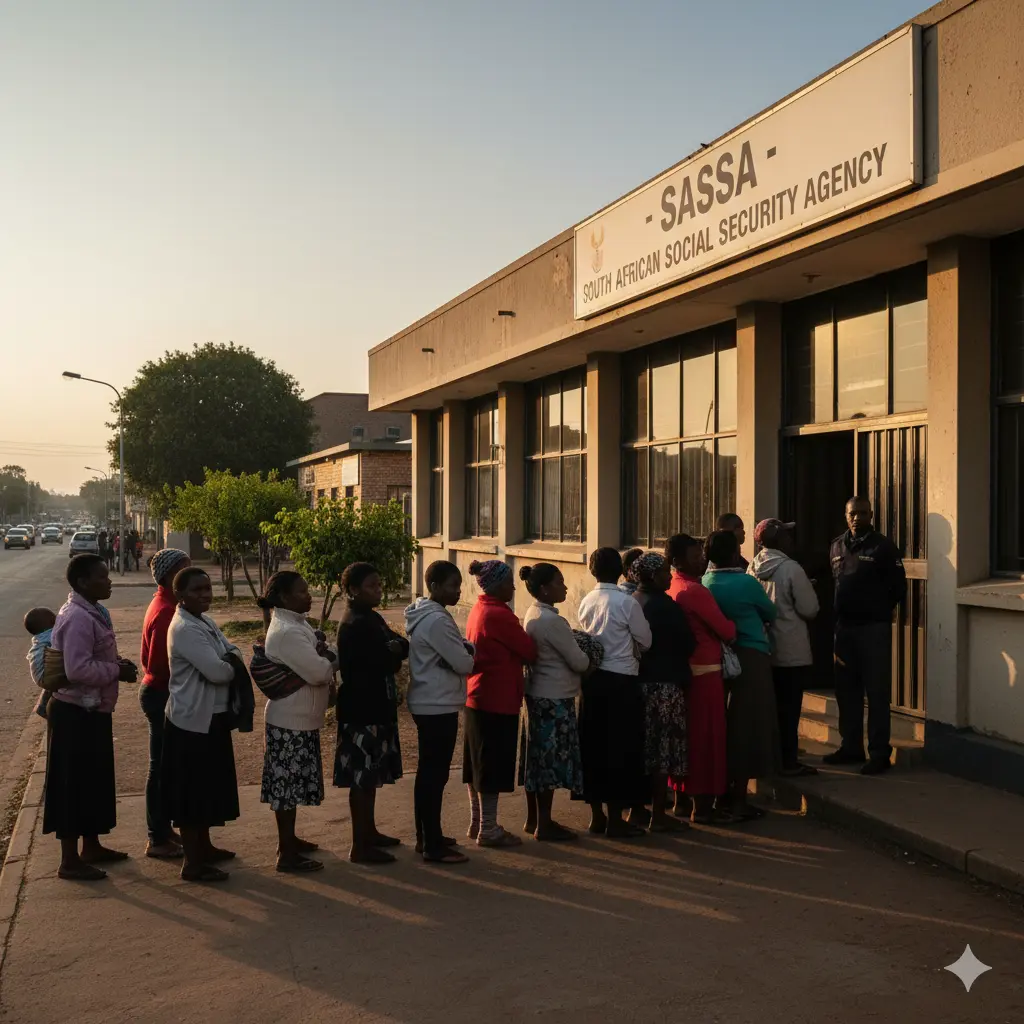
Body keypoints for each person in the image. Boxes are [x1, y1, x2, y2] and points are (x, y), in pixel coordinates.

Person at [43, 554, 137, 881]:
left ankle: (91, 845)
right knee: (72, 785)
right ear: (83, 582)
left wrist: (116, 662)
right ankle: (69, 860)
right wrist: (117, 671)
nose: (109, 581)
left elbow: (93, 655)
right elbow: (77, 668)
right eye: (102, 577)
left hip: (91, 708)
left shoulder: (93, 611)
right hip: (73, 711)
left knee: (92, 781)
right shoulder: (77, 617)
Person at [163, 567, 243, 883]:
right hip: (191, 721)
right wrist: (230, 663)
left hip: (210, 718)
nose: (205, 595)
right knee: (192, 794)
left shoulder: (203, 621)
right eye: (197, 590)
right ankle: (193, 862)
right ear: (180, 595)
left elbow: (232, 651)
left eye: (208, 589)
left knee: (208, 790)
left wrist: (230, 660)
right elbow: (219, 671)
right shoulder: (184, 627)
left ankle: (205, 849)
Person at [258, 571, 335, 873]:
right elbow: (318, 672)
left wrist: (325, 658)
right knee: (286, 789)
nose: (309, 595)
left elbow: (319, 661)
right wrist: (330, 659)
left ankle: (289, 841)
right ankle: (286, 851)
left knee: (293, 786)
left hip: (300, 719)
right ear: (285, 597)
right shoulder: (288, 631)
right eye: (302, 592)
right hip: (289, 721)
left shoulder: (295, 623)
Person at [825, 496, 907, 775]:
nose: (857, 518)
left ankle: (879, 753)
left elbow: (898, 588)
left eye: (862, 513)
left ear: (871, 515)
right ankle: (851, 747)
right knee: (846, 692)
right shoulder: (836, 545)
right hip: (844, 630)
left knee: (876, 692)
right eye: (852, 513)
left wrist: (877, 610)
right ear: (845, 516)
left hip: (873, 629)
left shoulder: (883, 547)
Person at [334, 562, 409, 864]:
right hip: (361, 710)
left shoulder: (372, 617)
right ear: (353, 590)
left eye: (379, 585)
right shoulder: (355, 622)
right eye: (371, 586)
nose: (378, 590)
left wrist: (393, 650)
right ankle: (359, 844)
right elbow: (384, 660)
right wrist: (391, 652)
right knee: (361, 778)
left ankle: (370, 831)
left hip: (377, 707)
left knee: (372, 775)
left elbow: (401, 646)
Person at [703, 530, 779, 820]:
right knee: (748, 728)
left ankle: (721, 793)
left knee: (724, 726)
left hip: (718, 658)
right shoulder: (746, 583)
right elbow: (771, 612)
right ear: (735, 553)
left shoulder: (706, 583)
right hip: (750, 655)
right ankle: (738, 799)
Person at [577, 547, 652, 838]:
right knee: (620, 750)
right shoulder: (626, 602)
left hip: (593, 679)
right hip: (622, 681)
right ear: (621, 571)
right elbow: (645, 641)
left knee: (594, 748)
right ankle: (616, 820)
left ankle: (597, 816)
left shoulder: (587, 599)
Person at [405, 560, 475, 864]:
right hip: (437, 704)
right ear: (433, 587)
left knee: (430, 774)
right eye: (452, 586)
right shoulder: (437, 620)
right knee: (434, 776)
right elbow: (465, 663)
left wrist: (463, 651)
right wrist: (466, 652)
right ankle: (432, 843)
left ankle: (427, 836)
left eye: (459, 586)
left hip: (430, 700)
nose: (458, 592)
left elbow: (461, 653)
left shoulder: (425, 614)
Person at [462, 559, 536, 848]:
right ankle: (489, 828)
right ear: (495, 586)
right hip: (497, 696)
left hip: (478, 694)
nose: (513, 587)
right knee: (490, 767)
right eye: (507, 583)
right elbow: (529, 650)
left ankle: (478, 821)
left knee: (477, 764)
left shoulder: (479, 609)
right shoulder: (499, 615)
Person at [666, 534, 736, 823]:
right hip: (705, 672)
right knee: (707, 741)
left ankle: (682, 801)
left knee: (687, 739)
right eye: (696, 556)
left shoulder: (673, 587)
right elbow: (727, 631)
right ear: (678, 561)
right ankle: (703, 808)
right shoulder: (695, 591)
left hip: (685, 671)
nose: (702, 560)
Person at [520, 563, 590, 842]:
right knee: (548, 760)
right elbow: (579, 661)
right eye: (560, 582)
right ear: (545, 588)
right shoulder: (553, 622)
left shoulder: (533, 613)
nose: (565, 587)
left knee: (536, 759)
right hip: (555, 696)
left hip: (539, 693)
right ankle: (544, 823)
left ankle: (534, 818)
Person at [749, 519, 820, 776]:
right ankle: (789, 761)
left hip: (765, 647)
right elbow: (809, 609)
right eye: (787, 536)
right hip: (792, 649)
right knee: (790, 710)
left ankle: (773, 758)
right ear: (779, 540)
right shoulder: (791, 568)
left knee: (773, 708)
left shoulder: (752, 567)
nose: (791, 540)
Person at [630, 552, 695, 832]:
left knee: (644, 749)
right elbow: (687, 643)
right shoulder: (664, 606)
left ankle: (638, 810)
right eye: (666, 572)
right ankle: (658, 813)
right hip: (664, 685)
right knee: (662, 751)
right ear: (654, 576)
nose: (670, 576)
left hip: (639, 683)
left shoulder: (634, 601)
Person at [138, 547, 191, 860]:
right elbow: (159, 664)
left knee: (163, 767)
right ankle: (156, 837)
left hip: (160, 691)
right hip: (161, 693)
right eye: (185, 570)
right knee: (160, 769)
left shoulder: (167, 602)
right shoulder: (167, 609)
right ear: (172, 576)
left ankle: (162, 830)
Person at [25, 607, 57, 721]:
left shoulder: (39, 638)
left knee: (50, 686)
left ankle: (42, 706)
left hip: (38, 673)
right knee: (55, 680)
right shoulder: (51, 635)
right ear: (50, 622)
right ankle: (43, 706)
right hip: (43, 674)